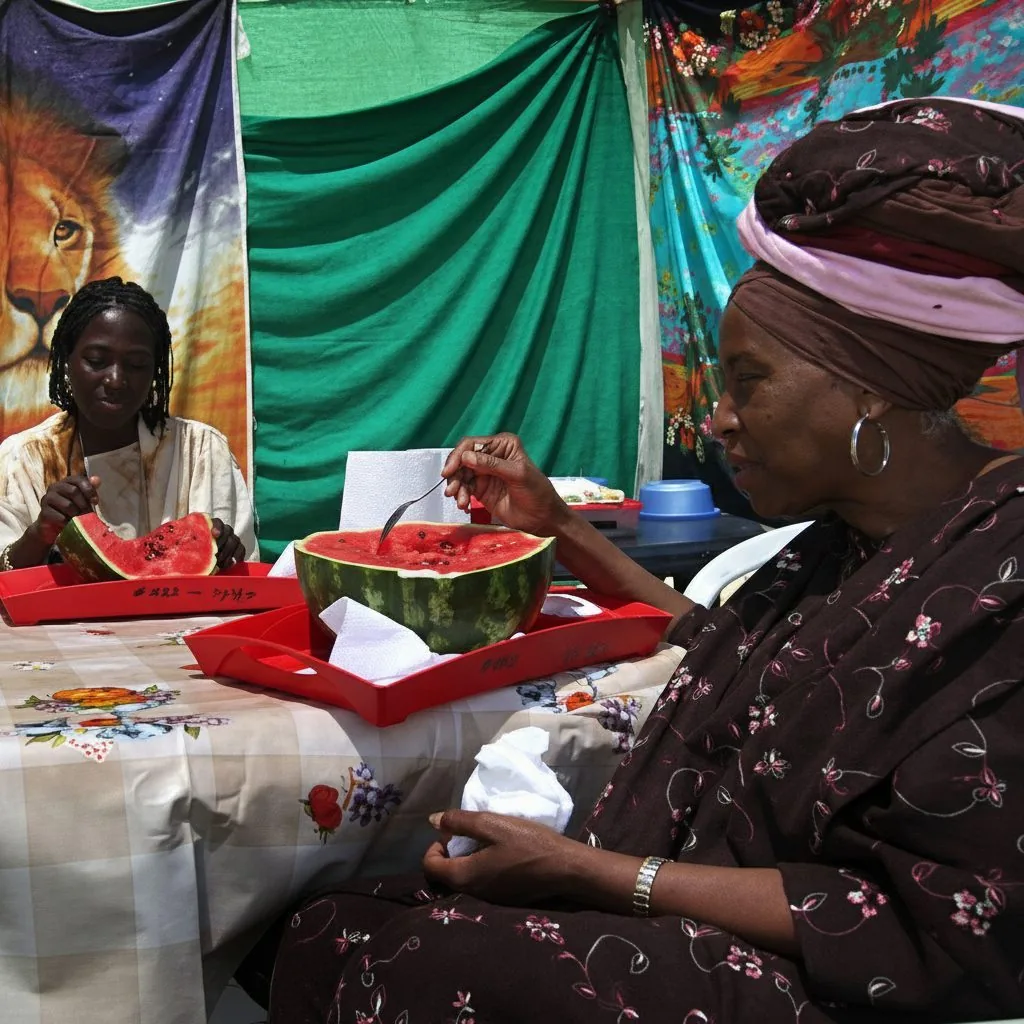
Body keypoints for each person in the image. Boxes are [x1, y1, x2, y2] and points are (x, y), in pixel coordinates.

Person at [246, 98, 1024, 1022]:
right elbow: (716, 648)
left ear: (872, 387)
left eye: (749, 382)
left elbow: (933, 921)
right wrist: (556, 527)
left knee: (417, 961)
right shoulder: (843, 541)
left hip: (835, 989)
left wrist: (591, 871)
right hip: (693, 913)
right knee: (323, 920)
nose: (719, 421)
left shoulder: (1002, 587)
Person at [0, 277, 256, 570]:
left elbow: (242, 580)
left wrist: (227, 554)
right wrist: (39, 533)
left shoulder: (201, 452)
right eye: (96, 361)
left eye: (136, 365)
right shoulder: (22, 458)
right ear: (65, 360)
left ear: (155, 372)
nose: (116, 380)